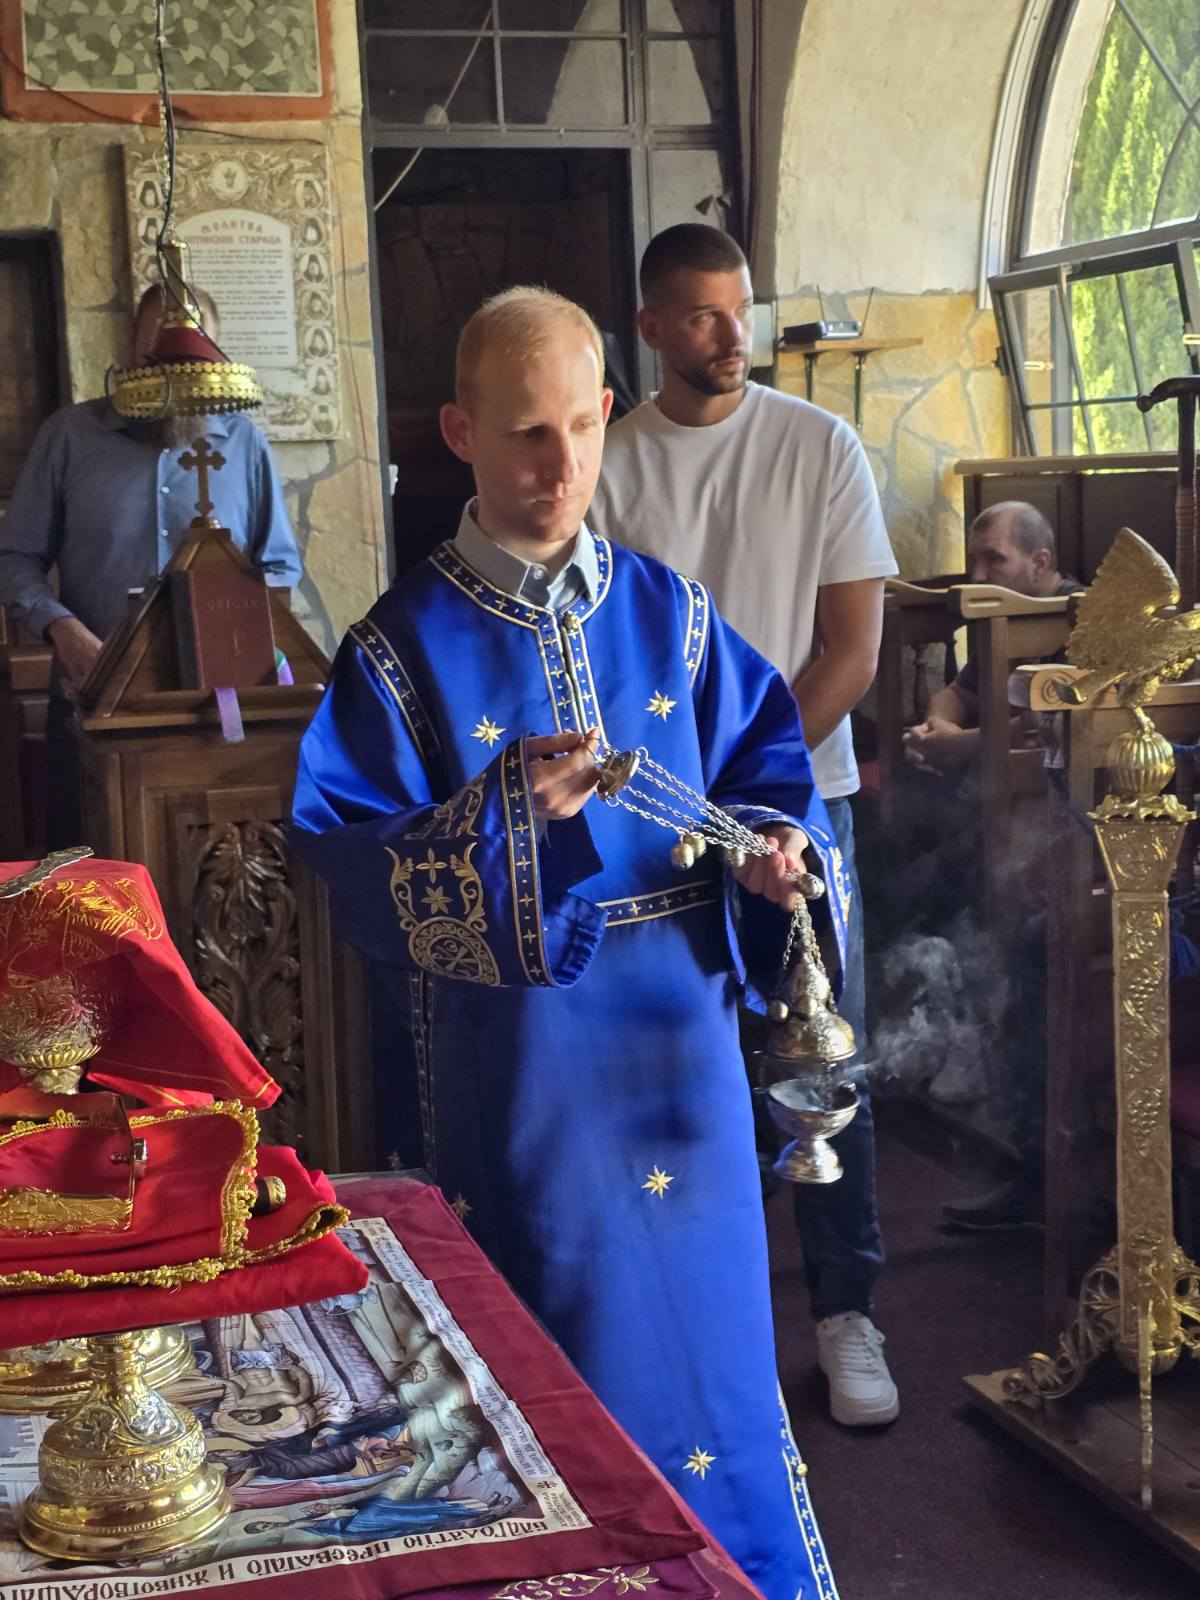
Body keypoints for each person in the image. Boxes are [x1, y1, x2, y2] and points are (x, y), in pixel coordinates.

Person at [292, 285, 845, 1599]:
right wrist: (499, 812)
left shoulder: (677, 617)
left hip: (681, 1063)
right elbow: (347, 865)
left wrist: (776, 861)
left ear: (608, 412)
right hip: (526, 1076)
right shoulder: (397, 653)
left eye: (582, 429)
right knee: (563, 1346)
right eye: (526, 434)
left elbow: (768, 774)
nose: (560, 466)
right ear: (460, 434)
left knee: (719, 1346)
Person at [590, 223, 899, 1430]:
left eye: (743, 308)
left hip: (799, 806)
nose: (733, 335)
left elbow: (853, 652)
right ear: (652, 327)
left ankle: (846, 1311)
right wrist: (692, 805)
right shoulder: (611, 463)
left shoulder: (819, 446)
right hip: (656, 823)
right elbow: (598, 665)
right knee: (684, 1056)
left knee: (820, 1052)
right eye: (703, 315)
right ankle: (702, 1319)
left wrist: (748, 794)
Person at [0, 283, 302, 845]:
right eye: (161, 354)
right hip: (92, 705)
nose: (178, 375)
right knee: (91, 873)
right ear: (132, 349)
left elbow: (279, 564)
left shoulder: (243, 443)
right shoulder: (69, 437)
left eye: (194, 360)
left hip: (216, 718)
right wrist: (61, 628)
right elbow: (14, 556)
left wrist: (248, 646)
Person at [902, 501, 1083, 774]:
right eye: (975, 560)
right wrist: (935, 728)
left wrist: (959, 743)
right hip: (994, 778)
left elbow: (1053, 722)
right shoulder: (1011, 609)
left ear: (1039, 563)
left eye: (994, 558)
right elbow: (959, 692)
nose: (978, 575)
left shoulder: (1082, 615)